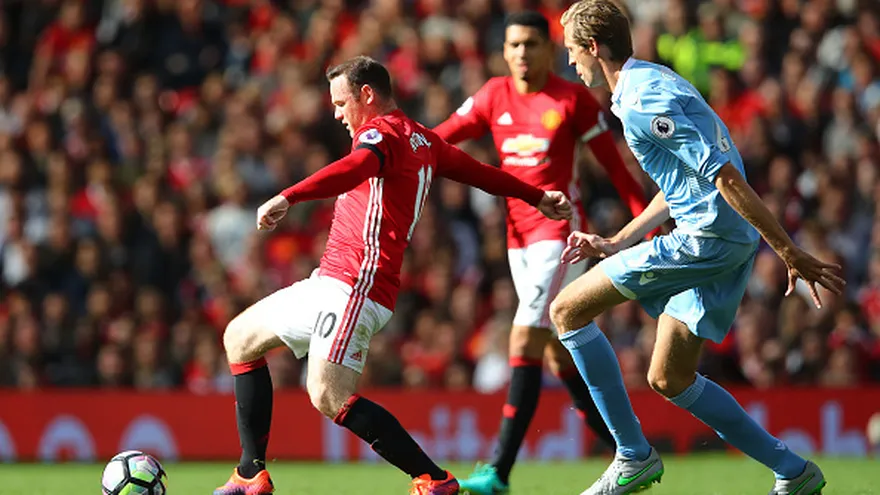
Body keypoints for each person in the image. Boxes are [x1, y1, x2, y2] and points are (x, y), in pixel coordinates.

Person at [212, 55, 574, 495]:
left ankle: (434, 479)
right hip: (330, 280)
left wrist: (290, 196)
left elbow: (354, 168)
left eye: (341, 103)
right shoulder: (422, 139)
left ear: (367, 95)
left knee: (327, 394)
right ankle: (251, 474)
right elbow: (481, 174)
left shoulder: (379, 135)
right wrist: (536, 196)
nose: (336, 113)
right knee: (240, 338)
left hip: (355, 286)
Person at [550, 1, 844, 494]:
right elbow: (687, 178)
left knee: (566, 311)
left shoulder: (643, 101)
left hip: (704, 240)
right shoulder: (651, 82)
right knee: (669, 375)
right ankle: (794, 472)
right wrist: (618, 240)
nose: (572, 63)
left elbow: (724, 176)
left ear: (594, 48)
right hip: (725, 237)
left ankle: (631, 457)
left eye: (572, 52)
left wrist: (789, 250)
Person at [434, 11, 649, 494]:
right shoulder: (493, 96)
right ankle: (626, 446)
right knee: (557, 353)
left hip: (560, 237)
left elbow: (616, 170)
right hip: (517, 241)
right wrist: (400, 148)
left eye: (532, 43)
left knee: (523, 338)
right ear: (504, 51)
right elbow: (441, 137)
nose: (522, 53)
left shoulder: (572, 99)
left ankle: (498, 472)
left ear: (548, 49)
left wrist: (643, 227)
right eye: (514, 45)